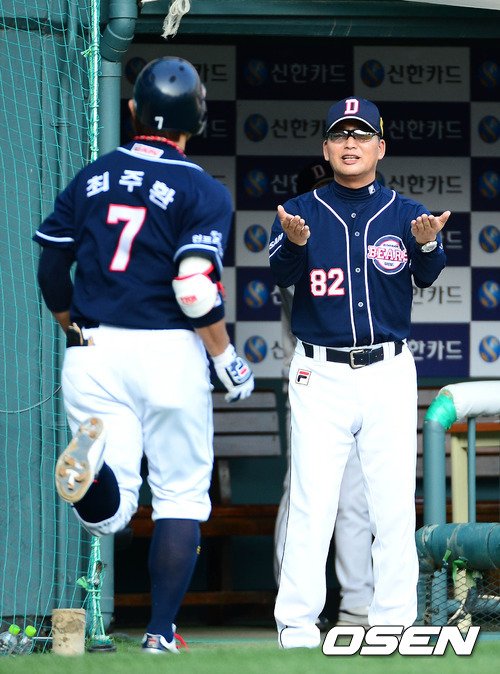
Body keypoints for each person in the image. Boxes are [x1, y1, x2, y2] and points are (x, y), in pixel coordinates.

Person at [33, 56, 254, 654]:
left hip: (95, 349)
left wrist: (72, 329)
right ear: (197, 119)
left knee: (110, 512)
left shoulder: (92, 176)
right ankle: (160, 633)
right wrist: (226, 358)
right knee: (181, 494)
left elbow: (51, 267)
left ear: (133, 111)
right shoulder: (203, 189)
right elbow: (193, 287)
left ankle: (93, 475)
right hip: (168, 352)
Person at [269, 96, 449, 649]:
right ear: (326, 149)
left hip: (387, 370)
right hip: (319, 372)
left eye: (362, 134)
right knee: (313, 504)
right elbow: (280, 270)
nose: (351, 143)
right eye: (341, 134)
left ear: (380, 147)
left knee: (392, 506)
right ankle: (297, 628)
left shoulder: (405, 212)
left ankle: (394, 622)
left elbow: (428, 274)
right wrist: (294, 244)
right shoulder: (299, 210)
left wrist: (427, 243)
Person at [273, 162, 373, 630]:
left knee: (356, 497)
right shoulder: (295, 241)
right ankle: (291, 600)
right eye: (320, 190)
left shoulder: (358, 234)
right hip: (314, 377)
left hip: (364, 381)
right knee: (305, 492)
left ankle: (358, 604)